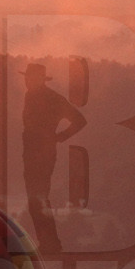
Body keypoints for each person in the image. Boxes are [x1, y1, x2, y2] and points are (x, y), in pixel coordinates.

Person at [21, 62, 86, 252]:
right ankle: (48, 242)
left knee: (38, 197)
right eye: (26, 77)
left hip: (42, 155)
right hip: (32, 154)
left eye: (29, 77)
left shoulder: (52, 98)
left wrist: (59, 137)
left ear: (39, 79)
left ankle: (50, 243)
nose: (26, 81)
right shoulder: (30, 96)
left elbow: (80, 120)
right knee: (36, 198)